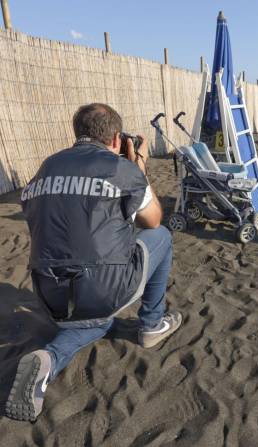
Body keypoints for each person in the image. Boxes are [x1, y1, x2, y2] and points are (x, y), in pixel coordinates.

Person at [6, 103, 182, 421]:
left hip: (50, 293)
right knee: (164, 237)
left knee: (95, 321)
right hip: (102, 287)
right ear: (116, 139)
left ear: (77, 134)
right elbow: (152, 220)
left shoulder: (46, 166)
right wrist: (139, 165)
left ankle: (48, 358)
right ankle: (152, 324)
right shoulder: (121, 168)